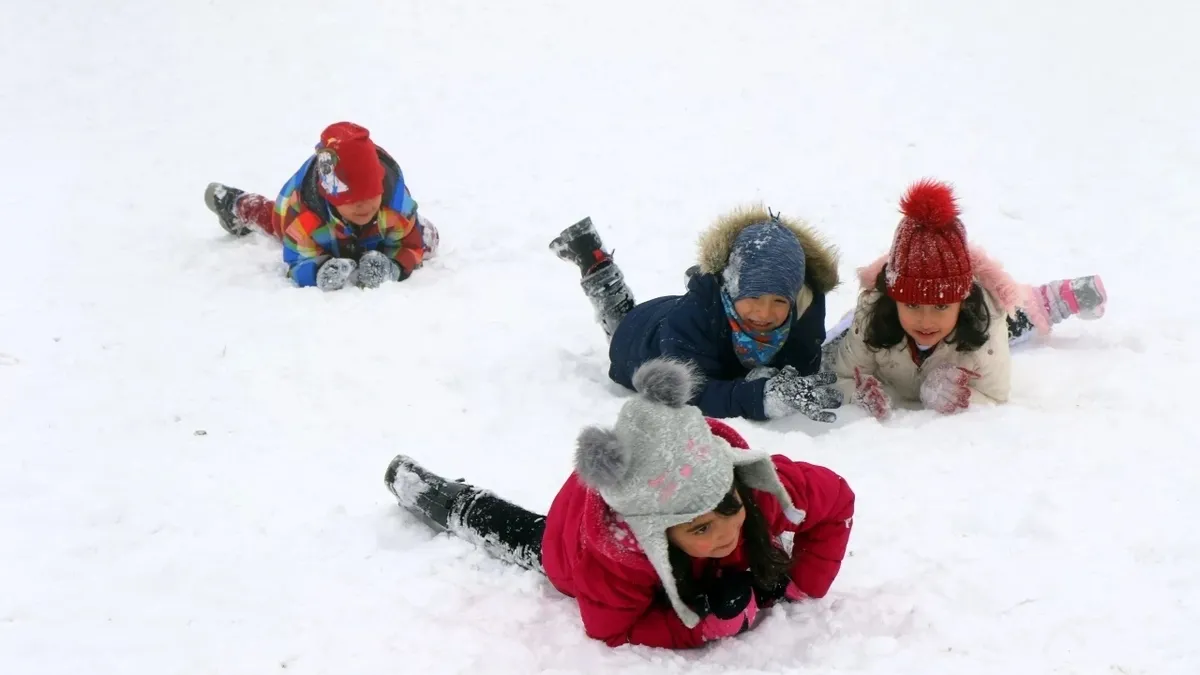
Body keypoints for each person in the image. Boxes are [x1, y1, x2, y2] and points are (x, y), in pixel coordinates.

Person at [384, 358, 855, 649]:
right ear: (657, 532)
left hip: (645, 490)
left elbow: (837, 503)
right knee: (524, 535)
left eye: (728, 509)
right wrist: (701, 627)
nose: (726, 532)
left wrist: (800, 583)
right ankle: (439, 497)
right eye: (699, 528)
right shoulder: (616, 558)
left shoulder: (755, 486)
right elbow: (612, 630)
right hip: (572, 541)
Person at [827, 179, 1107, 419]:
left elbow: (995, 395)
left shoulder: (985, 322)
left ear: (962, 300)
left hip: (969, 329)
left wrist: (957, 397)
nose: (925, 320)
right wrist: (860, 395)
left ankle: (1050, 300)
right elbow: (842, 377)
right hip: (885, 324)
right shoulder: (871, 317)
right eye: (912, 304)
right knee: (835, 345)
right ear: (894, 298)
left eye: (940, 305)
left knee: (1015, 319)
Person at [548, 207, 844, 423]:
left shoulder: (805, 308)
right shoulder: (691, 319)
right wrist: (760, 396)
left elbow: (803, 363)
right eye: (753, 297)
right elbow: (690, 392)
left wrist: (774, 378)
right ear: (731, 288)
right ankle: (596, 264)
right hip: (642, 338)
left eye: (779, 300)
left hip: (692, 319)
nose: (765, 313)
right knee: (620, 320)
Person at [203, 121, 439, 290]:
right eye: (351, 200)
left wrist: (393, 266)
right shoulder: (304, 219)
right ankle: (235, 204)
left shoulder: (395, 208)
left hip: (379, 230)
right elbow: (297, 261)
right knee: (275, 222)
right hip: (314, 224)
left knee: (427, 240)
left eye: (371, 195)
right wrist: (318, 270)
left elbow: (411, 245)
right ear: (331, 197)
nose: (363, 206)